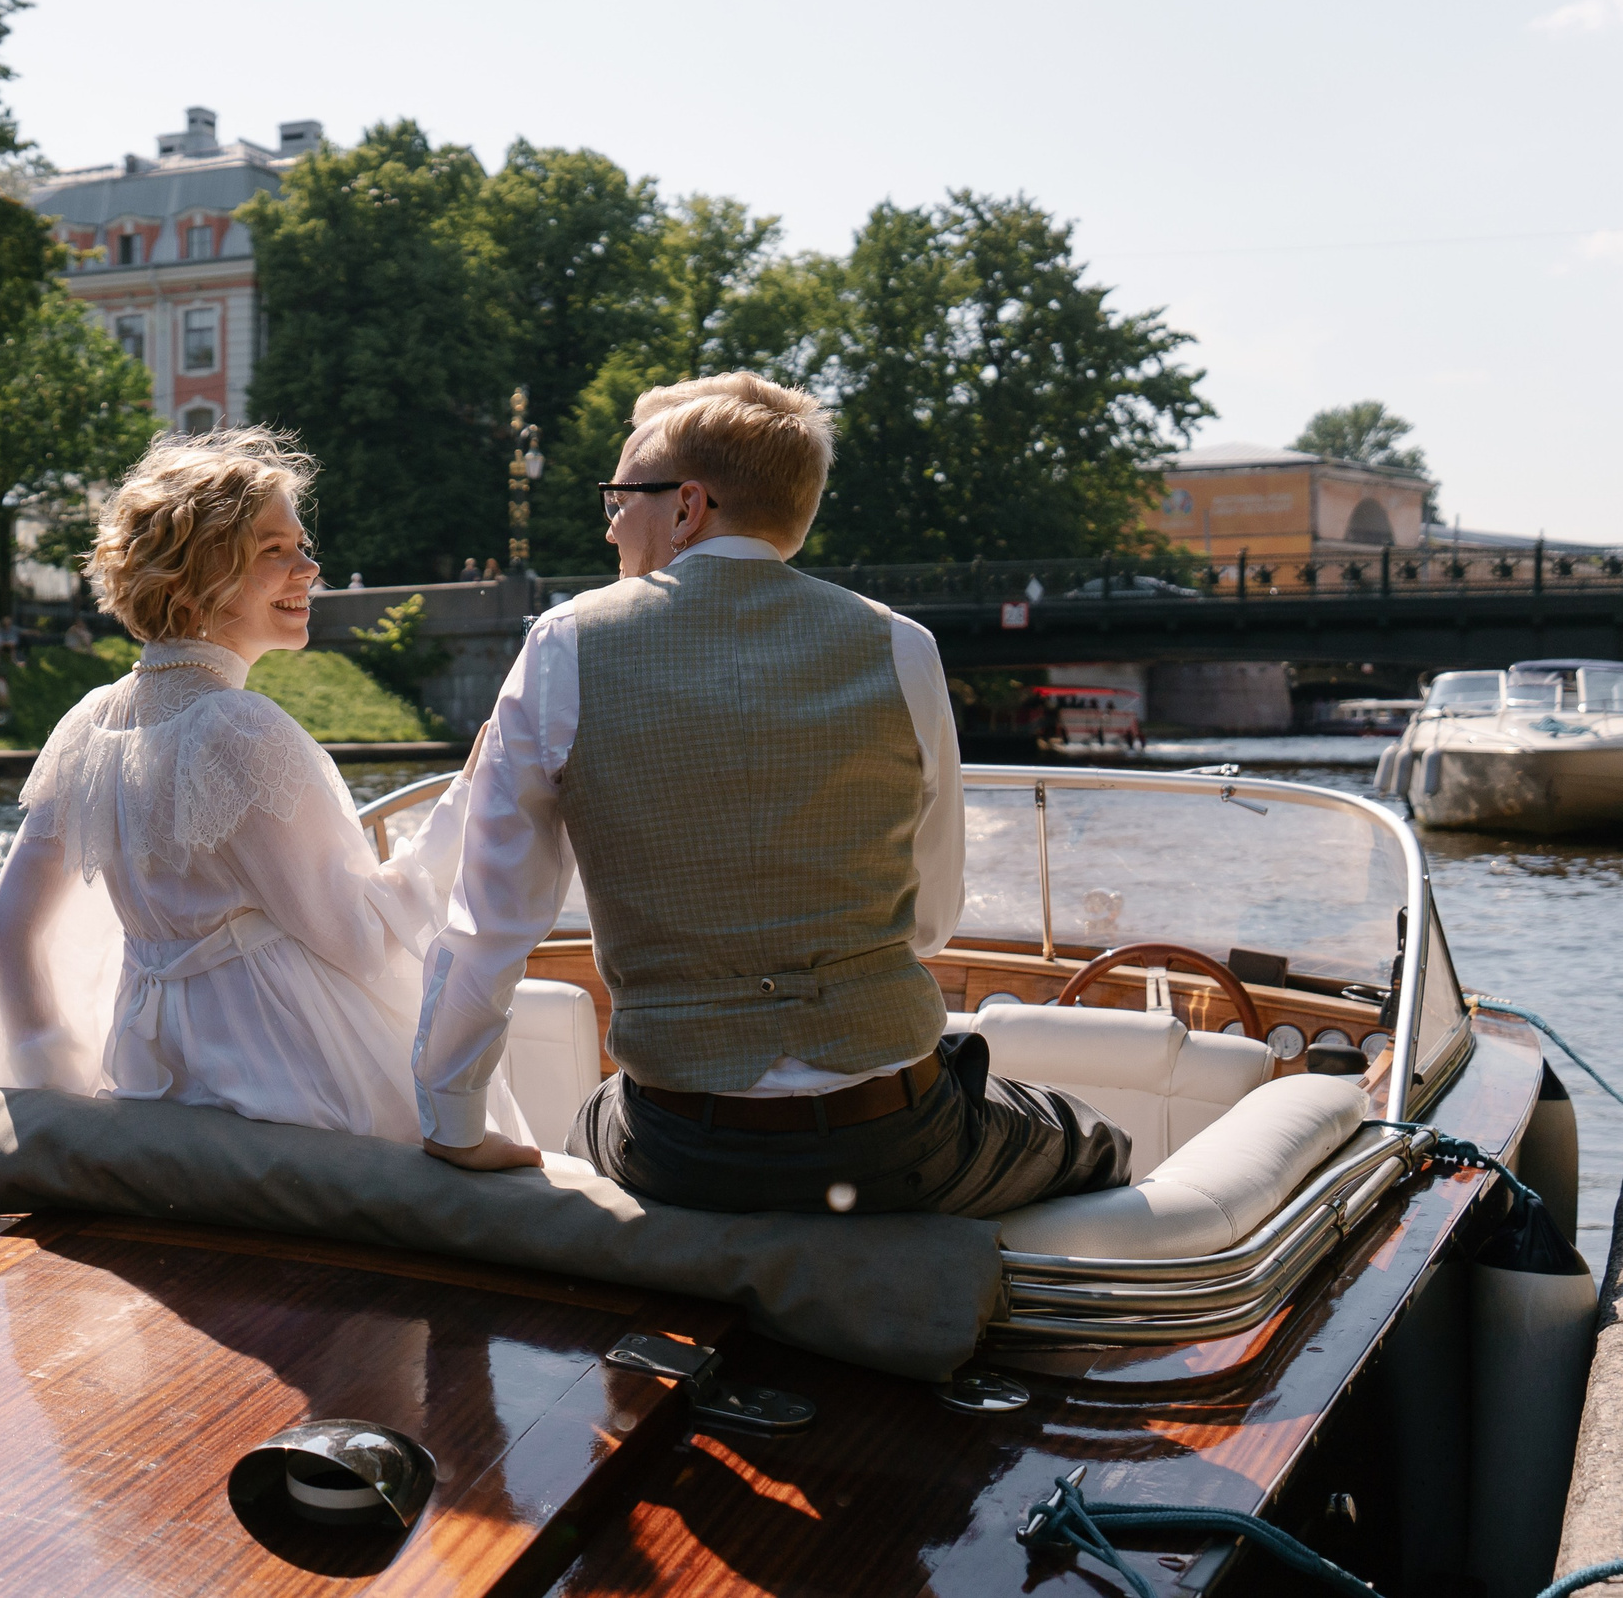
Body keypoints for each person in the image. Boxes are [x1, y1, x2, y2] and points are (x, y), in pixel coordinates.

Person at [414, 373, 1129, 1214]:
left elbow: (489, 918)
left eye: (619, 496)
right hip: (895, 1140)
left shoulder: (564, 646)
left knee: (590, 1126)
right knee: (1095, 1142)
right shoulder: (903, 647)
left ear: (687, 507)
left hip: (679, 1145)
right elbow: (929, 924)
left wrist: (454, 1118)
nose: (608, 521)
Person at [0, 426, 531, 1146]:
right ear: (199, 573)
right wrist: (471, 798)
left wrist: (58, 1110)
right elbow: (363, 938)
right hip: (288, 1088)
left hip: (147, 1087)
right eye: (275, 550)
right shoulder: (237, 728)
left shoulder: (87, 725)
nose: (309, 567)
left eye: (301, 545)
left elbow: (7, 935)